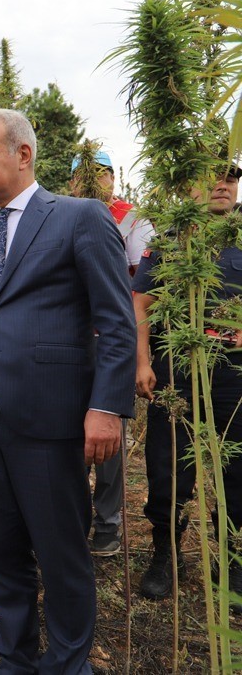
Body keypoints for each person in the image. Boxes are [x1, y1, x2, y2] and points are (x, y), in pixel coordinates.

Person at [0, 109, 135, 672]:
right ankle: (16, 660)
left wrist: (105, 408)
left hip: (52, 419)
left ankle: (69, 664)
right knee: (1, 555)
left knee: (61, 557)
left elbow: (116, 320)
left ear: (23, 154)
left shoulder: (79, 217)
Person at [134, 164, 242, 602]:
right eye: (213, 175)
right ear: (189, 182)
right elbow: (141, 302)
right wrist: (141, 361)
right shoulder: (170, 240)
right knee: (168, 465)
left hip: (234, 371)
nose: (223, 183)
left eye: (232, 177)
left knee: (236, 468)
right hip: (175, 367)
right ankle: (166, 554)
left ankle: (231, 558)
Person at [70, 151, 156, 558]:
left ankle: (108, 522)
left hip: (112, 338)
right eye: (86, 176)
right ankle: (74, 518)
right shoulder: (64, 214)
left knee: (108, 437)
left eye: (102, 174)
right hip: (72, 341)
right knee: (69, 434)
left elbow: (142, 279)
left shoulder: (133, 219)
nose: (94, 182)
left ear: (113, 177)